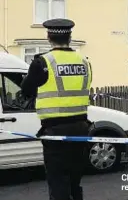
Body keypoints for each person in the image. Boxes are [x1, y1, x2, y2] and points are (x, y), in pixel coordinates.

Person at [20, 18, 92, 200]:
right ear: (70, 37)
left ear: (48, 37)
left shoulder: (42, 63)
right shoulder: (84, 62)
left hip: (55, 131)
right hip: (82, 128)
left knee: (58, 180)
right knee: (75, 180)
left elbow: (26, 90)